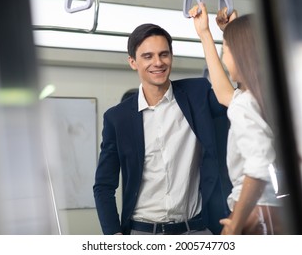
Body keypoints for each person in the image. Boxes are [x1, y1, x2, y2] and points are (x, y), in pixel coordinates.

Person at [93, 23, 232, 235]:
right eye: (147, 56)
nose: (158, 62)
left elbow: (231, 100)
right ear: (133, 62)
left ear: (171, 57)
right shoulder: (117, 118)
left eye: (163, 54)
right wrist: (114, 237)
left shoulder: (197, 94)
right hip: (143, 233)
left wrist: (220, 34)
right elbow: (104, 185)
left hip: (195, 231)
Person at [189, 3, 283, 235]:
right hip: (281, 211)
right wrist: (206, 34)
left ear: (240, 54)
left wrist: (235, 223)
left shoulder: (245, 103)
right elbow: (225, 95)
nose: (224, 57)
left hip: (255, 211)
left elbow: (259, 167)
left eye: (225, 49)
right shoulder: (269, 98)